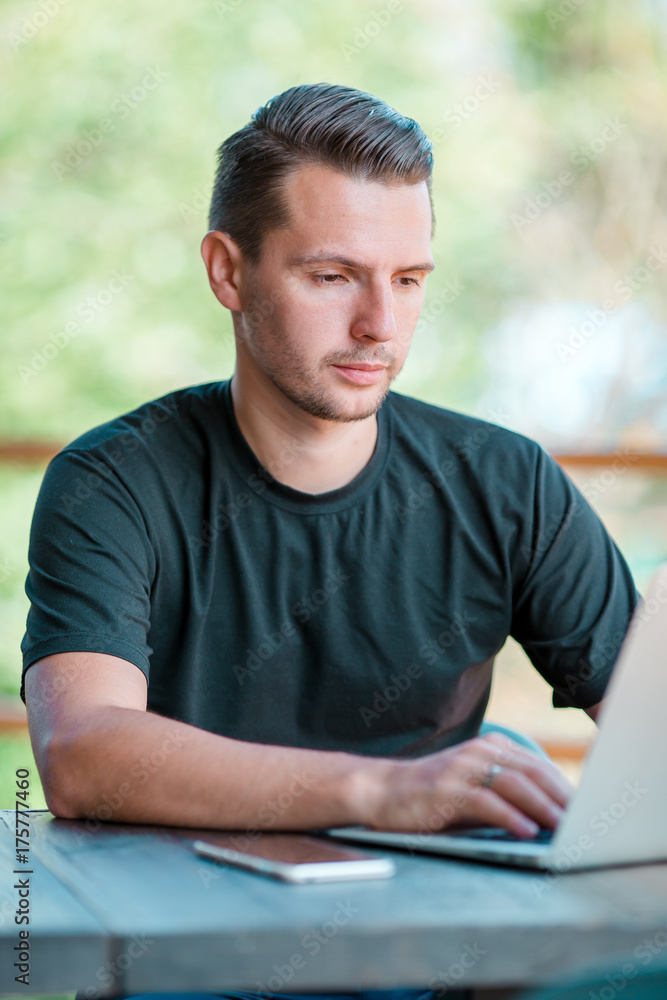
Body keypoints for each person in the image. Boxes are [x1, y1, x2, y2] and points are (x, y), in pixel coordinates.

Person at [21, 83, 638, 1000]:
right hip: (183, 958)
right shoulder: (112, 482)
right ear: (228, 271)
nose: (378, 327)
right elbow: (82, 755)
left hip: (424, 964)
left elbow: (649, 734)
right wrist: (386, 790)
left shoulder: (506, 483)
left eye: (408, 280)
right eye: (332, 276)